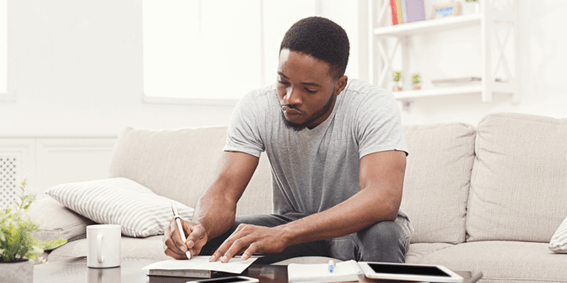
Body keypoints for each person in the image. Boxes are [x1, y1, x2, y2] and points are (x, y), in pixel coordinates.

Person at [163, 16, 413, 264]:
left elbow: (383, 199)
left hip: (363, 227)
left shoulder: (372, 105)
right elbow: (225, 191)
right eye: (283, 82)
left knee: (383, 235)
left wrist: (283, 234)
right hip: (293, 224)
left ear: (339, 85)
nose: (290, 98)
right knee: (214, 243)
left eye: (309, 89)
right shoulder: (256, 107)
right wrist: (201, 228)